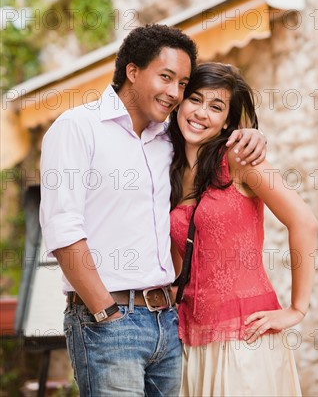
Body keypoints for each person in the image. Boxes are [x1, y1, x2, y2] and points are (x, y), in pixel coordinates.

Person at [39, 25, 267, 397]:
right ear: (132, 71)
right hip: (110, 321)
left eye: (182, 83)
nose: (176, 93)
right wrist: (106, 314)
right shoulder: (78, 129)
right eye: (166, 77)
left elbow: (212, 132)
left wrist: (252, 134)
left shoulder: (168, 139)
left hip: (167, 320)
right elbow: (63, 230)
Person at [169, 62, 318, 397]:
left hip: (244, 338)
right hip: (191, 341)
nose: (201, 112)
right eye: (195, 99)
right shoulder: (172, 170)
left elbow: (304, 222)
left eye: (216, 106)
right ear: (180, 102)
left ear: (228, 121)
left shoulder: (238, 157)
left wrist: (297, 309)